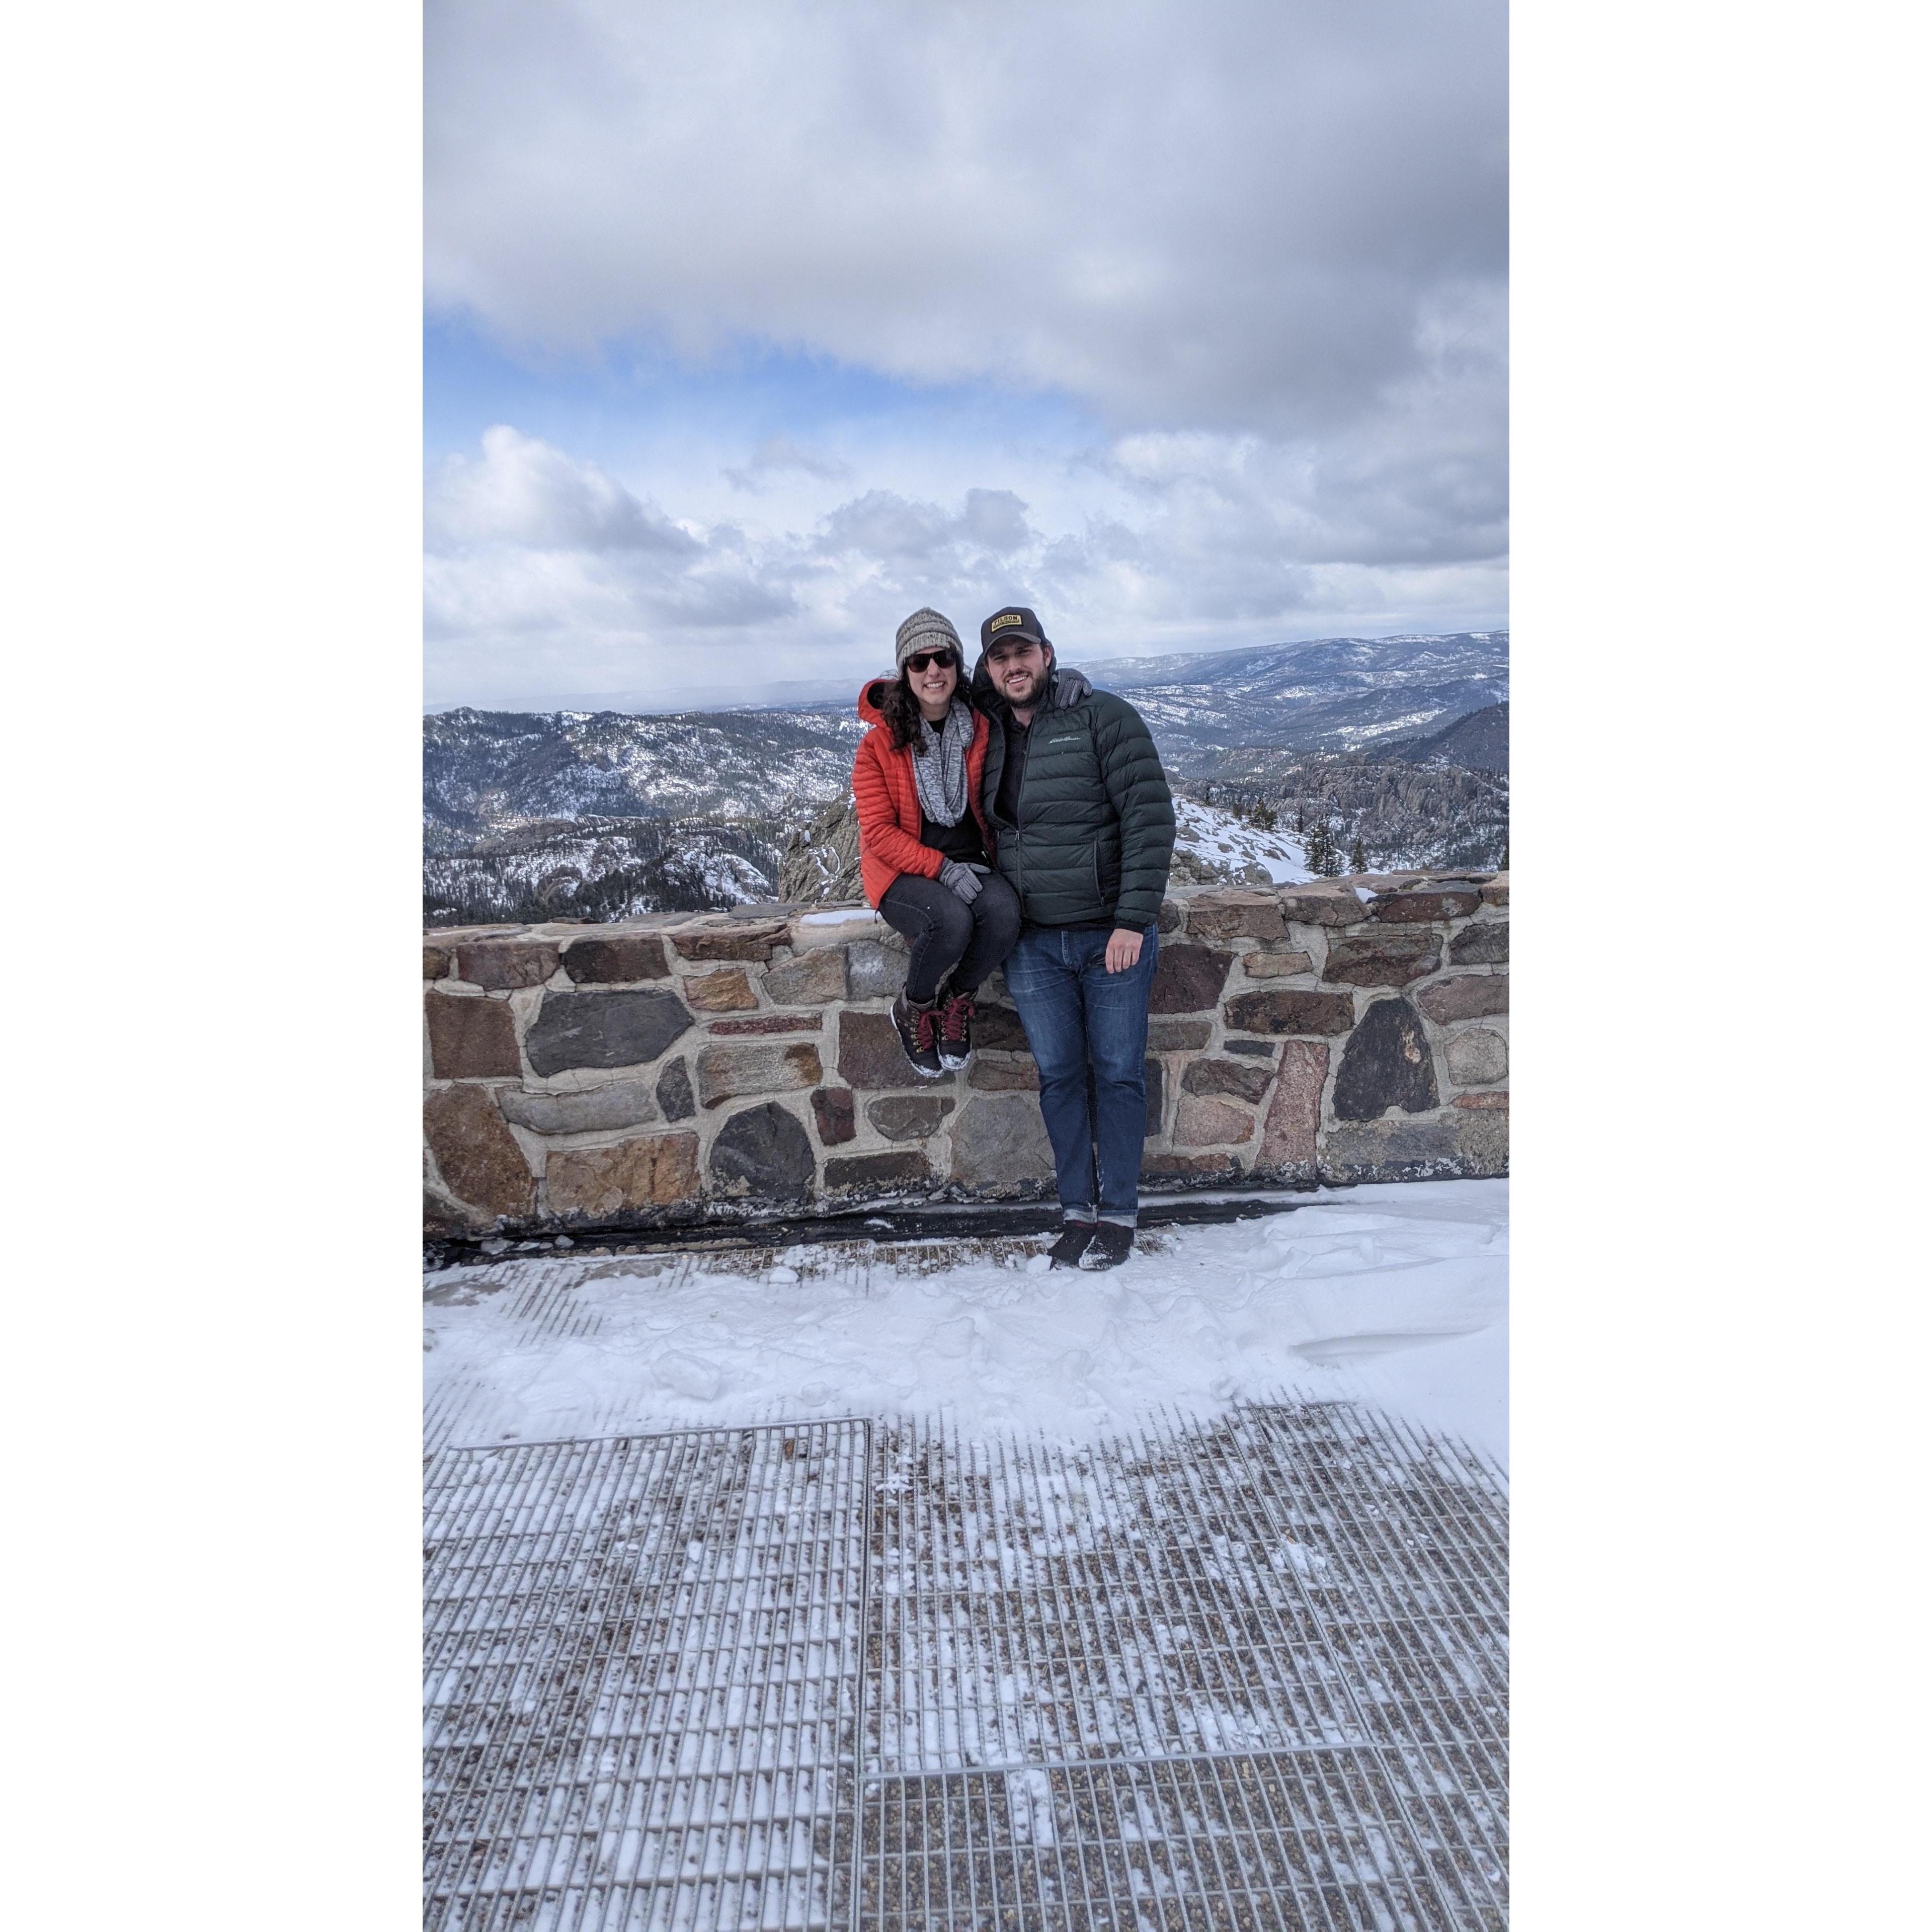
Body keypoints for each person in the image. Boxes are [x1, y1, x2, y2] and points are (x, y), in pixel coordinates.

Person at [971, 605, 1175, 1269]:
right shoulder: (988, 728)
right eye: (1001, 658)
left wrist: (1131, 919)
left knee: (1117, 1074)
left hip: (1107, 937)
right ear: (989, 668)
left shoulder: (1103, 717)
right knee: (1059, 1077)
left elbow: (1149, 818)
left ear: (1048, 653)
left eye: (1023, 652)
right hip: (1033, 945)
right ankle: (1075, 1212)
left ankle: (1118, 1214)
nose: (1014, 666)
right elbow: (924, 698)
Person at [852, 608, 1022, 1077]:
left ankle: (957, 1000)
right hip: (902, 873)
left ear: (958, 664)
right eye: (919, 662)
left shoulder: (980, 726)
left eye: (943, 658)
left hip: (970, 860)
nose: (933, 671)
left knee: (1006, 913)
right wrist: (942, 869)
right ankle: (915, 1006)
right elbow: (880, 834)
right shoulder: (878, 746)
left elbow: (1028, 687)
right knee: (950, 920)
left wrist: (1069, 680)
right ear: (904, 672)